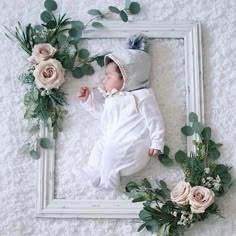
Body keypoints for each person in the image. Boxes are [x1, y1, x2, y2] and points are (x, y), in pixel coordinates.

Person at [78, 33, 165, 189]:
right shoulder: (112, 100)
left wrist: (157, 142)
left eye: (109, 76)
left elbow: (155, 119)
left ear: (127, 77)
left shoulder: (142, 96)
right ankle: (92, 173)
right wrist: (88, 101)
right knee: (100, 147)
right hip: (112, 139)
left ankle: (108, 181)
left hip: (133, 145)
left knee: (111, 151)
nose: (104, 81)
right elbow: (102, 116)